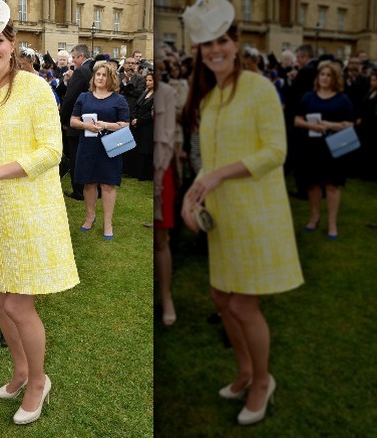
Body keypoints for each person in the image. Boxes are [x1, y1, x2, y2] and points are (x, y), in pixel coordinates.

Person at [180, 0, 303, 425]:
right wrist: (191, 197)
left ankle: (263, 381)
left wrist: (213, 180)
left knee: (244, 305)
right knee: (220, 297)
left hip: (256, 212)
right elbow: (209, 161)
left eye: (222, 41)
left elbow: (275, 151)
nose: (215, 49)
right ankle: (246, 371)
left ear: (235, 44)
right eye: (207, 44)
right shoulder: (211, 97)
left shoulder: (260, 88)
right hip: (224, 216)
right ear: (199, 50)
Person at [0, 0, 79, 425]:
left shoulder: (35, 88)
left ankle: (39, 382)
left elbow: (51, 151)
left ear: (12, 44)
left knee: (18, 303)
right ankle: (21, 370)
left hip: (31, 209)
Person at [293, 61, 355, 239]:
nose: (324, 78)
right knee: (312, 185)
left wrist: (329, 125)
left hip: (334, 147)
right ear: (317, 77)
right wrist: (310, 125)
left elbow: (349, 124)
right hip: (311, 147)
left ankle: (332, 223)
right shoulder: (307, 97)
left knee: (332, 185)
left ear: (335, 78)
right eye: (322, 74)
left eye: (328, 75)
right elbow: (297, 120)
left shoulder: (342, 99)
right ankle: (314, 217)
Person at [69, 62, 130, 240]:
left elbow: (125, 124)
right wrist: (85, 125)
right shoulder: (84, 97)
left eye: (104, 75)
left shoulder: (119, 99)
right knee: (88, 183)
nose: (100, 78)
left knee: (107, 185)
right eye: (98, 75)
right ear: (93, 77)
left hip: (110, 147)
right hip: (88, 147)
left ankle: (108, 223)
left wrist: (106, 125)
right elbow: (73, 120)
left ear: (111, 78)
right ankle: (89, 217)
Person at [153, 72, 178, 325]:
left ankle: (166, 296)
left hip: (161, 169)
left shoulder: (168, 93)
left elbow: (167, 138)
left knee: (161, 238)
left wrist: (159, 178)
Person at [59, 44, 95, 200]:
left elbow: (70, 99)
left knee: (76, 157)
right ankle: (92, 188)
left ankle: (79, 191)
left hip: (77, 120)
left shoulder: (80, 72)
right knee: (88, 156)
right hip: (91, 119)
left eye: (73, 57)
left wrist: (61, 118)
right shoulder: (92, 69)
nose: (72, 61)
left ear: (81, 57)